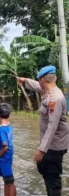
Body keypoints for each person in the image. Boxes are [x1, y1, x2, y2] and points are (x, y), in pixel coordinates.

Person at [17, 65, 69, 196]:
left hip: (54, 145)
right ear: (54, 78)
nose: (38, 83)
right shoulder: (48, 90)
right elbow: (37, 86)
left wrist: (41, 150)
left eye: (39, 80)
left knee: (53, 179)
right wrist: (25, 80)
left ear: (43, 80)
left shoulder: (55, 98)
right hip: (50, 145)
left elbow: (52, 126)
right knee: (46, 172)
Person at [0, 103, 16, 196]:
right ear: (10, 115)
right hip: (9, 157)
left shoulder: (1, 129)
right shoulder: (9, 125)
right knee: (8, 181)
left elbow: (5, 146)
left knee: (9, 182)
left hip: (4, 158)